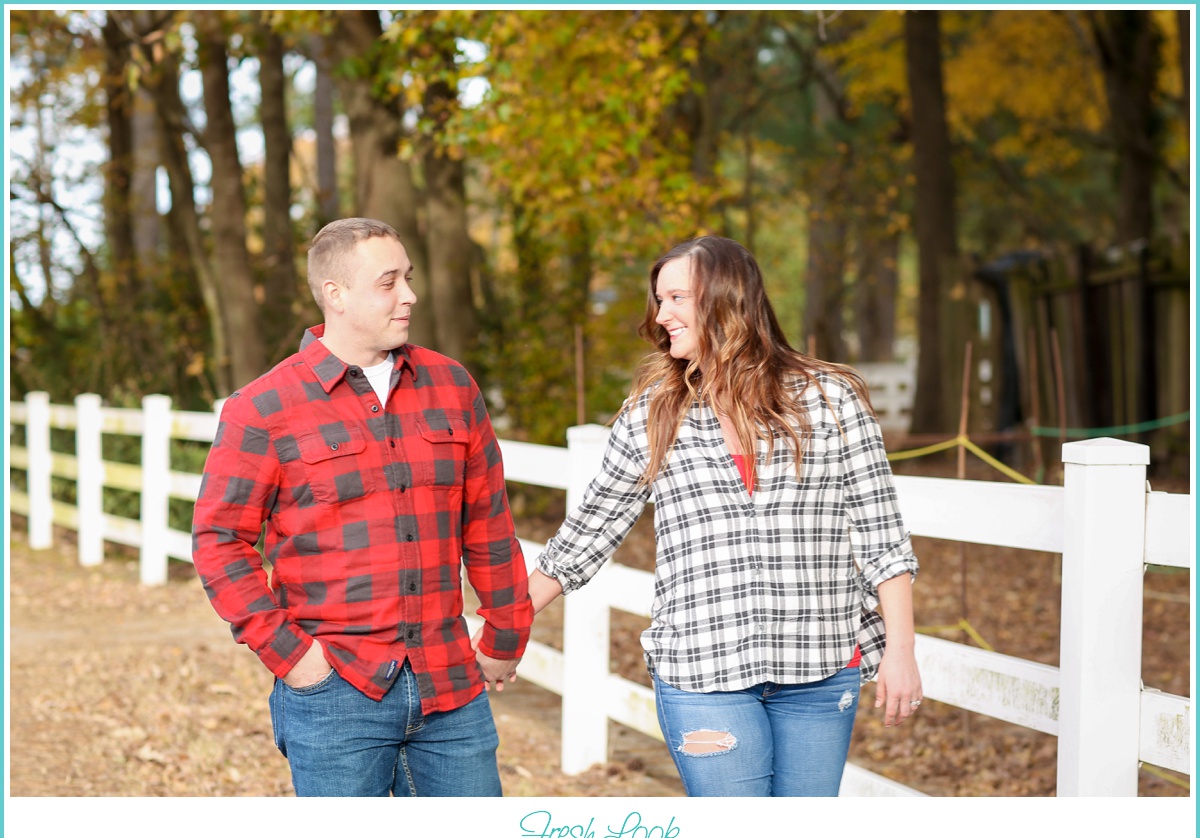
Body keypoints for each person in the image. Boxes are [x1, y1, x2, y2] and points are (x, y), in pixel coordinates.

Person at [524, 235, 921, 797]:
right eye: (659, 300)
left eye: (677, 298)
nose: (661, 316)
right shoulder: (651, 414)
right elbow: (590, 531)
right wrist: (506, 623)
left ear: (727, 298)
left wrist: (901, 652)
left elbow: (883, 535)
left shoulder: (831, 399)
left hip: (819, 665)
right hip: (702, 673)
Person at [192, 217, 533, 797]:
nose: (410, 295)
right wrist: (294, 657)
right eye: (389, 281)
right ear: (336, 294)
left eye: (409, 278)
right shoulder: (264, 407)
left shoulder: (452, 386)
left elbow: (488, 522)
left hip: (451, 685)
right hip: (335, 692)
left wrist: (505, 633)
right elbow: (219, 542)